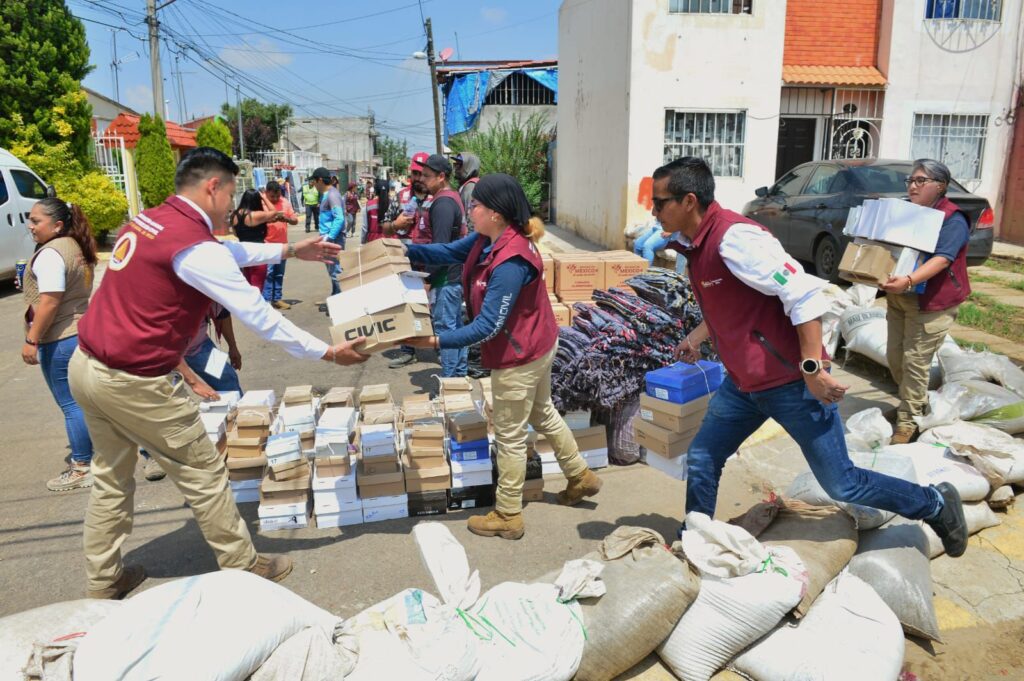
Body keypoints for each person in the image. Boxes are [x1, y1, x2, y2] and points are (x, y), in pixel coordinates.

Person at [68, 147, 370, 600]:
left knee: (111, 477)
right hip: (134, 381)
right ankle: (243, 564)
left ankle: (102, 580)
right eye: (230, 193)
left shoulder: (153, 220)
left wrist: (288, 248)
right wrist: (327, 352)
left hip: (87, 366)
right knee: (204, 471)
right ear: (213, 187)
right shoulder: (192, 243)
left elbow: (224, 251)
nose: (233, 206)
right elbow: (257, 314)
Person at [653, 156, 967, 558]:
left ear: (689, 201)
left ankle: (936, 503)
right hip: (743, 385)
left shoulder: (736, 239)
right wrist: (697, 337)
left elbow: (802, 294)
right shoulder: (698, 244)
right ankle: (696, 537)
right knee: (702, 457)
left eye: (661, 202)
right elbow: (732, 305)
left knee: (843, 484)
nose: (655, 210)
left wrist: (812, 369)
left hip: (791, 383)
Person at [405, 174, 602, 539]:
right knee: (543, 411)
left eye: (475, 205)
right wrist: (405, 251)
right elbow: (449, 253)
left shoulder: (511, 261)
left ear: (495, 213)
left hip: (520, 355)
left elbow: (486, 328)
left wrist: (433, 340)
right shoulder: (488, 239)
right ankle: (580, 475)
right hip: (537, 343)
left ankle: (508, 514)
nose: (470, 209)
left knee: (510, 435)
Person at [880, 159, 972, 445]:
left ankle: (908, 423)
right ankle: (913, 403)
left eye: (920, 180)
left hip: (932, 303)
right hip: (900, 297)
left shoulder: (952, 219)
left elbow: (942, 259)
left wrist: (907, 280)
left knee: (914, 363)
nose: (912, 185)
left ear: (940, 186)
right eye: (911, 180)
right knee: (896, 357)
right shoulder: (909, 212)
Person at [21, 198, 98, 492]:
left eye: (36, 221)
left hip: (62, 336)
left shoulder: (52, 253)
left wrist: (32, 339)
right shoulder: (74, 245)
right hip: (82, 330)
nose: (31, 226)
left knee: (71, 404)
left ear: (57, 225)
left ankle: (81, 466)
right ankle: (98, 455)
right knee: (86, 400)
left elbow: (50, 302)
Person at [410, 154, 468, 377]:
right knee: (455, 330)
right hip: (451, 276)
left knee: (445, 332)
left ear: (441, 177)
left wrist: (427, 279)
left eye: (427, 176)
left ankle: (450, 381)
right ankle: (459, 378)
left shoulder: (443, 203)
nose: (422, 180)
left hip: (445, 277)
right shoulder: (450, 198)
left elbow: (440, 248)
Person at [384, 152, 431, 369]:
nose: (418, 177)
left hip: (431, 257)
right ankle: (407, 350)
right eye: (414, 173)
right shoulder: (401, 196)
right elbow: (383, 226)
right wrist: (396, 224)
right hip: (404, 257)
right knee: (404, 304)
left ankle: (440, 347)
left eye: (422, 173)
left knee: (434, 303)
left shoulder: (436, 197)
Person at [232, 189, 281, 293]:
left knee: (248, 285)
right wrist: (264, 197)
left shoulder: (235, 215)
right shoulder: (255, 215)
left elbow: (235, 233)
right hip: (258, 254)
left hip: (243, 253)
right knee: (257, 288)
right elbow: (274, 212)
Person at [261, 180, 298, 310]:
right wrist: (269, 219)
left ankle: (277, 299)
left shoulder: (285, 202)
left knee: (279, 273)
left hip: (282, 245)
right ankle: (265, 301)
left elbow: (295, 220)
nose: (276, 199)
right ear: (266, 193)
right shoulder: (260, 203)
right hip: (266, 244)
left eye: (277, 196)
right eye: (272, 197)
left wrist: (286, 219)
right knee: (268, 273)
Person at [311, 167, 346, 297]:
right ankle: (336, 294)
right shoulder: (328, 194)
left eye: (314, 181)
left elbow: (339, 218)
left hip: (333, 239)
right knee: (333, 270)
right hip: (329, 238)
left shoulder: (332, 195)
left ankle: (341, 299)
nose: (313, 184)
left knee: (336, 271)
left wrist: (329, 237)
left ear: (320, 180)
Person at [453, 152, 481, 232]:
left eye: (460, 165)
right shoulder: (466, 185)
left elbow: (472, 219)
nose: (456, 168)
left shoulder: (470, 187)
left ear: (470, 166)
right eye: (455, 164)